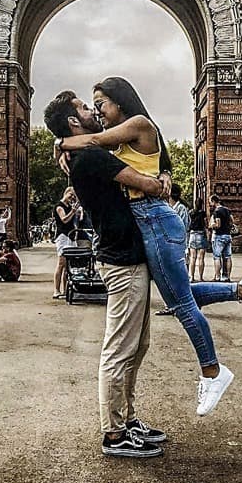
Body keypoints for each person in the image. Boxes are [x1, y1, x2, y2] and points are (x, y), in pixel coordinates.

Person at [55, 78, 242, 417]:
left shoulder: (137, 124)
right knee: (181, 293)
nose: (98, 111)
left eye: (101, 103)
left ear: (121, 100)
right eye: (92, 106)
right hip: (147, 222)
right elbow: (113, 156)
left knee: (180, 304)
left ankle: (213, 371)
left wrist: (60, 143)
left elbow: (94, 141)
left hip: (155, 220)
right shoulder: (119, 140)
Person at [44, 90, 167, 457]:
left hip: (127, 256)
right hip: (122, 261)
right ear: (73, 121)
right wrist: (160, 181)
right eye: (85, 107)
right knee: (119, 349)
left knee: (136, 346)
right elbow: (146, 185)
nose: (93, 109)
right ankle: (114, 434)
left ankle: (127, 419)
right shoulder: (92, 157)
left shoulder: (85, 155)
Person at [52, 187, 79, 299]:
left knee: (68, 266)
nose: (72, 197)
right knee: (61, 264)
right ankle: (56, 290)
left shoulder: (69, 206)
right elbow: (64, 219)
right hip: (63, 236)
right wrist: (73, 212)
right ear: (65, 193)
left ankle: (65, 289)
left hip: (70, 236)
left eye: (73, 196)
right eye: (70, 195)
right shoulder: (59, 206)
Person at [208, 194, 233, 281]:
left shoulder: (217, 211)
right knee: (228, 257)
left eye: (210, 202)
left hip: (219, 236)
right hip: (228, 235)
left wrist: (212, 225)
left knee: (217, 257)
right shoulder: (227, 210)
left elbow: (218, 224)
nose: (210, 204)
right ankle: (228, 277)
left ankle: (218, 277)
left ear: (214, 201)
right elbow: (232, 221)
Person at [188, 197, 208, 282]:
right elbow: (206, 224)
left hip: (192, 234)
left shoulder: (191, 212)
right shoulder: (203, 213)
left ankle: (191, 277)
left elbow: (188, 223)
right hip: (201, 234)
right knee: (201, 258)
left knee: (192, 257)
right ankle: (200, 277)